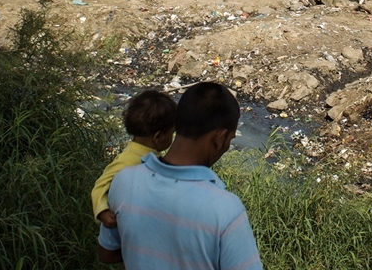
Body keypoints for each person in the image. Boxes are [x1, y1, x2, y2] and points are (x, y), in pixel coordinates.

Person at [97, 82, 263, 270]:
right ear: (219, 138)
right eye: (230, 139)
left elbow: (107, 253)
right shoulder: (226, 210)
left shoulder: (123, 181)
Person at [91, 89, 177, 229]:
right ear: (158, 137)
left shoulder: (151, 156)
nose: (172, 138)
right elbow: (100, 186)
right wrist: (103, 212)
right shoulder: (129, 160)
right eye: (172, 133)